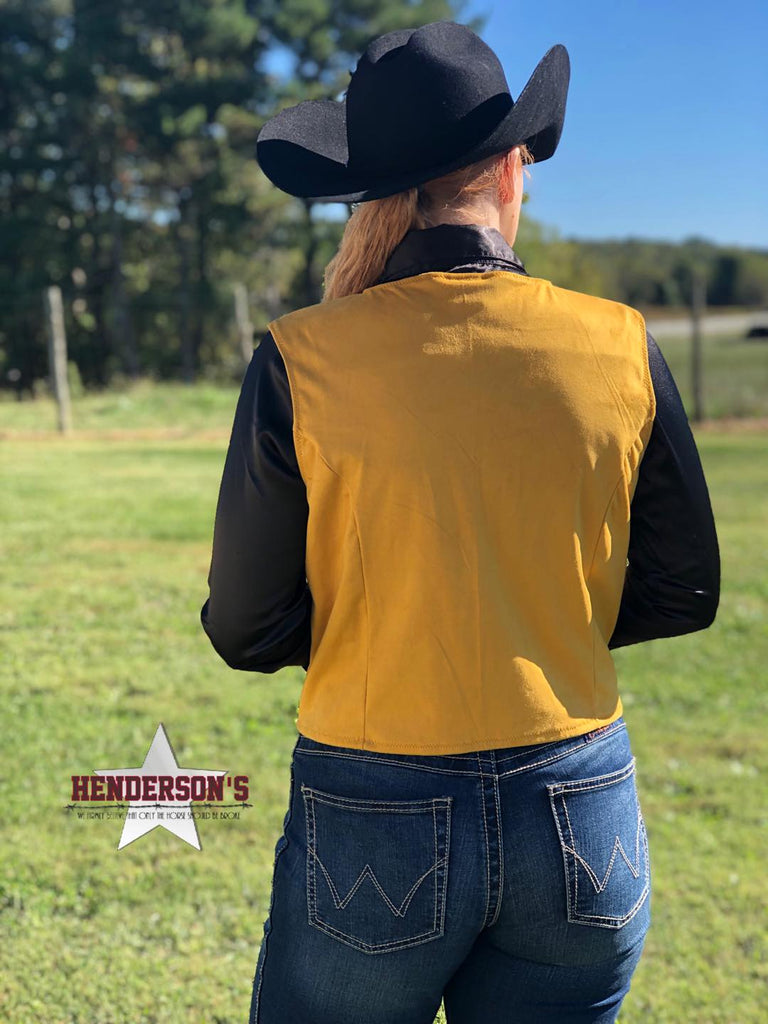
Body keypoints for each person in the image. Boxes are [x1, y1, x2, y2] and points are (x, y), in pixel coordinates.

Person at [200, 20, 720, 1024]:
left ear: (368, 200)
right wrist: (535, 618)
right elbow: (684, 588)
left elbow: (245, 626)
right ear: (511, 168)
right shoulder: (620, 344)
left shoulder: (300, 358)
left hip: (372, 805)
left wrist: (390, 618)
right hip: (582, 806)